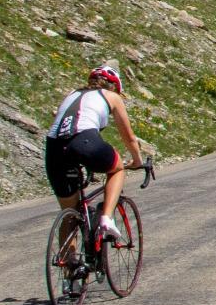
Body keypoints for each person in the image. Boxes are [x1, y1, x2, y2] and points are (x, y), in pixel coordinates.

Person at [44, 62, 146, 253]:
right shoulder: (112, 96)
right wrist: (137, 160)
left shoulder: (72, 94)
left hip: (54, 148)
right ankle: (107, 218)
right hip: (84, 140)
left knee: (69, 214)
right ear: (115, 86)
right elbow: (129, 137)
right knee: (116, 168)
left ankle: (70, 273)